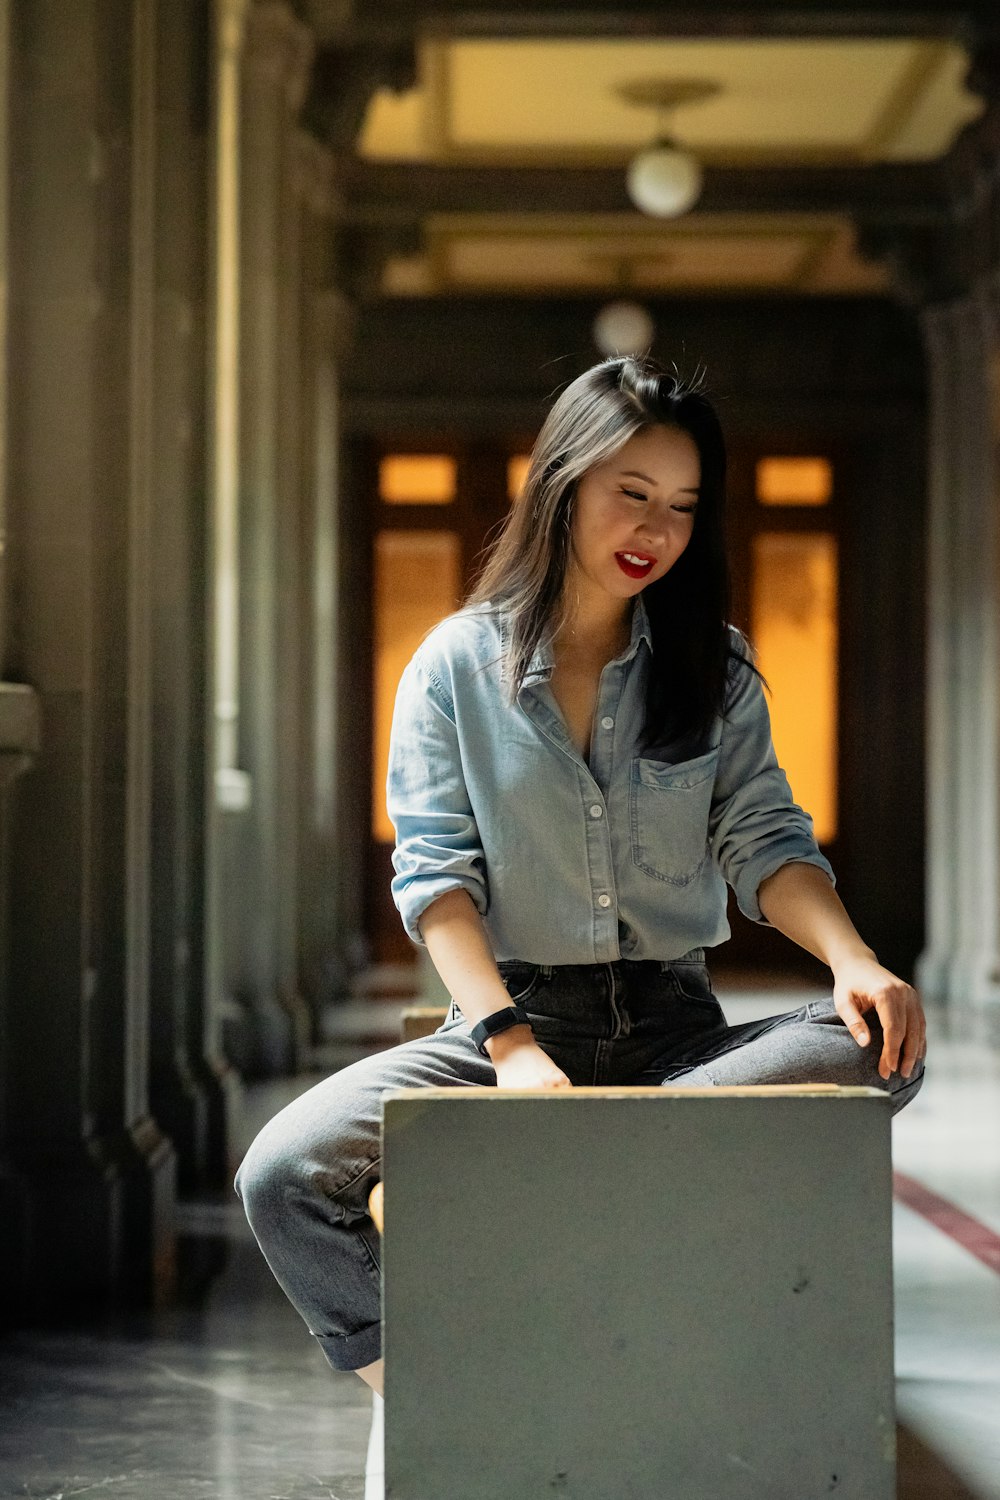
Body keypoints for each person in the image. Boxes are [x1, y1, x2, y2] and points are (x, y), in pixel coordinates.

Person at [234, 354, 926, 1495]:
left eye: (685, 506)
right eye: (631, 491)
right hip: (508, 1029)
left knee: (872, 1048)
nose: (656, 527)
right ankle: (455, 1395)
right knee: (283, 1175)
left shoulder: (717, 669)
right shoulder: (454, 666)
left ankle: (609, 1143)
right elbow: (436, 880)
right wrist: (508, 1048)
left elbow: (767, 842)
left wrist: (857, 962)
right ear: (562, 481)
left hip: (680, 1035)